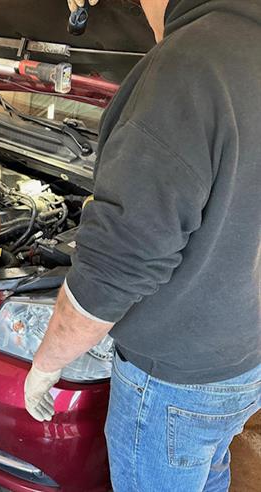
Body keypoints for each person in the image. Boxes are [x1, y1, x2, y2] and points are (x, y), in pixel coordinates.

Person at [24, 1, 261, 491]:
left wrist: (46, 364)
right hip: (245, 358)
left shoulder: (190, 62)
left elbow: (115, 267)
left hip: (173, 380)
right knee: (209, 470)